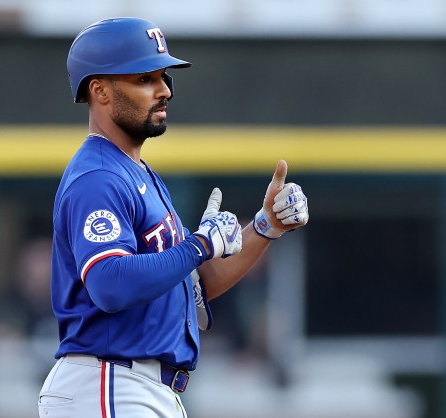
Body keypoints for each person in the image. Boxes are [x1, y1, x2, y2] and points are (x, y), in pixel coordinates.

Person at [38, 17, 309, 418]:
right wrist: (199, 244)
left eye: (164, 77)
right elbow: (110, 283)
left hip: (142, 386)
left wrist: (266, 226)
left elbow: (198, 281)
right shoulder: (98, 177)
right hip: (109, 382)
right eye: (145, 78)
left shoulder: (138, 173)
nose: (164, 90)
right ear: (99, 91)